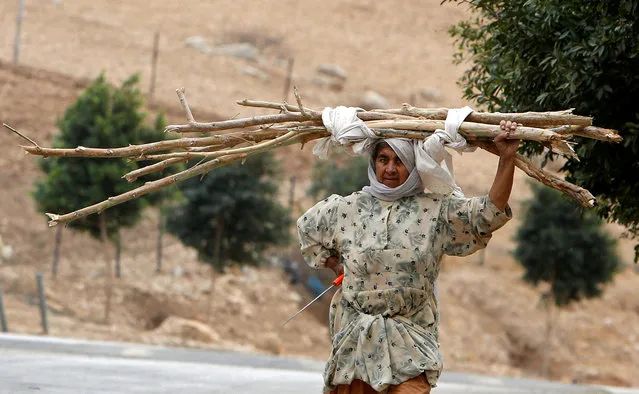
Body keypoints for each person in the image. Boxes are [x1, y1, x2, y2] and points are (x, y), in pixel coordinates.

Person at [297, 108, 519, 394]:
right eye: (383, 159)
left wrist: (507, 158)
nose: (390, 168)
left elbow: (489, 213)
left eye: (400, 160)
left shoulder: (436, 211)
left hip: (411, 345)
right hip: (355, 346)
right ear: (373, 162)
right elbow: (308, 229)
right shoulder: (346, 209)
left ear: (413, 164)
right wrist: (336, 266)